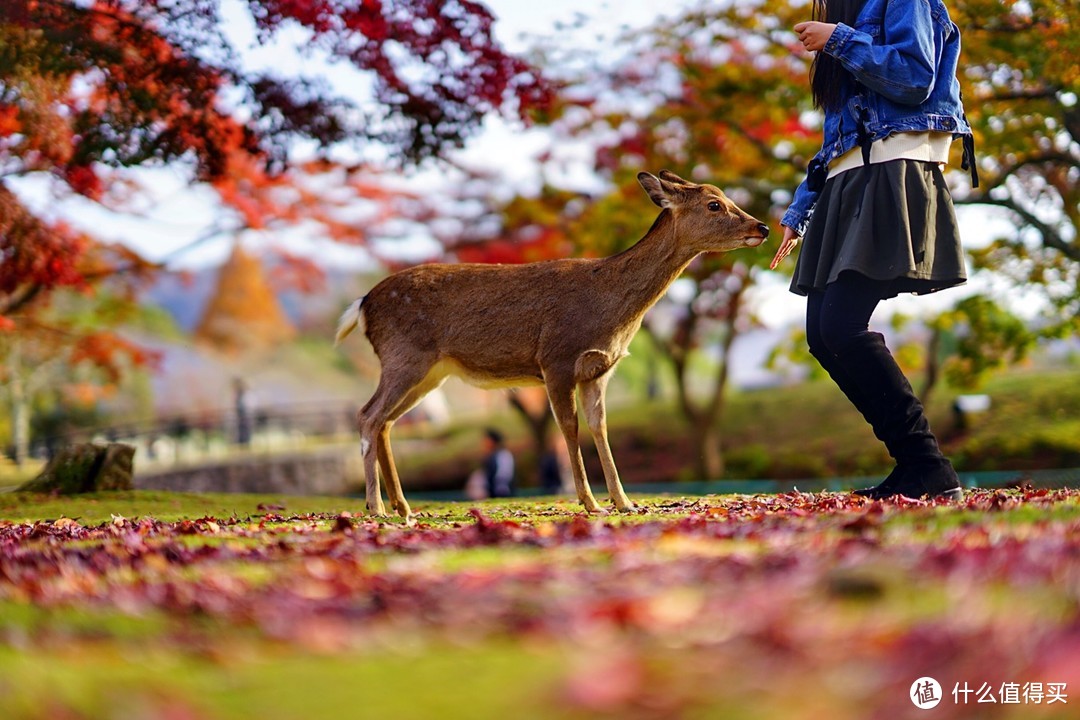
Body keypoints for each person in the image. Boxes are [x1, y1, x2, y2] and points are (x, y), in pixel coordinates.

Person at [770, 0, 976, 501]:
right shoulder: (844, 18)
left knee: (841, 325)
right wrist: (799, 211)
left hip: (892, 167)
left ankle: (929, 467)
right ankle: (915, 467)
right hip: (848, 180)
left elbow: (914, 78)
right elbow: (835, 140)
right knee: (823, 334)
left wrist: (839, 39)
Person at [481, 428, 515, 498]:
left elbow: (504, 473)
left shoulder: (503, 454)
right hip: (492, 491)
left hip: (502, 491)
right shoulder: (491, 455)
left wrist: (501, 488)